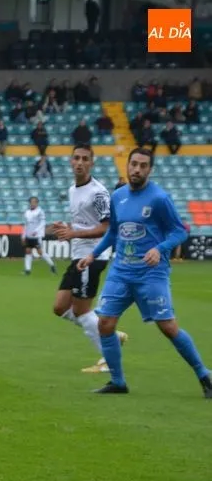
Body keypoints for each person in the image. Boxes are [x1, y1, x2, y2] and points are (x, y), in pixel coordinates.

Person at [78, 148, 212, 398]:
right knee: (105, 324)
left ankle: (205, 375)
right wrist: (92, 255)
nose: (137, 170)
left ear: (150, 170)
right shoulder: (117, 197)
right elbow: (114, 232)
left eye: (143, 166)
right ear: (127, 166)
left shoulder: (159, 198)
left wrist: (160, 249)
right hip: (121, 272)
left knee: (168, 327)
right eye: (134, 164)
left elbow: (180, 231)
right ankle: (118, 382)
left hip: (151, 273)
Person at [50, 144, 127, 374]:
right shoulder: (73, 190)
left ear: (92, 163)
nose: (80, 162)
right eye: (76, 158)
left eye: (85, 158)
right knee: (60, 307)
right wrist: (68, 229)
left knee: (82, 309)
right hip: (78, 255)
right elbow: (84, 223)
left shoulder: (99, 192)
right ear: (70, 161)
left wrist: (74, 233)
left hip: (93, 255)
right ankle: (110, 335)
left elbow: (107, 227)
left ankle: (107, 358)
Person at [22, 196, 56, 275]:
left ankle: (52, 265)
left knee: (40, 252)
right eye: (31, 202)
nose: (32, 203)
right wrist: (23, 235)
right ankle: (27, 270)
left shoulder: (40, 211)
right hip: (28, 235)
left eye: (34, 202)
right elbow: (25, 225)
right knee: (28, 251)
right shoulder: (27, 212)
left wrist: (36, 231)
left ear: (37, 203)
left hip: (36, 236)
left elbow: (43, 223)